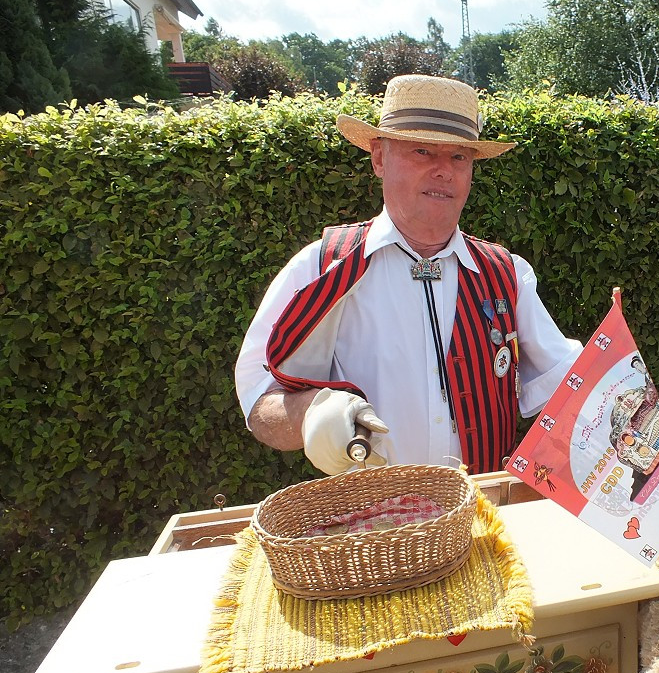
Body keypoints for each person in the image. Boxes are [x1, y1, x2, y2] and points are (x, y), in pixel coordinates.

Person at [235, 75, 582, 476]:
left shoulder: (506, 273)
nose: (443, 171)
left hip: (485, 525)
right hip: (371, 527)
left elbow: (568, 386)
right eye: (422, 151)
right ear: (379, 158)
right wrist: (310, 412)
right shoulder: (323, 266)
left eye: (459, 157)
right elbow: (260, 402)